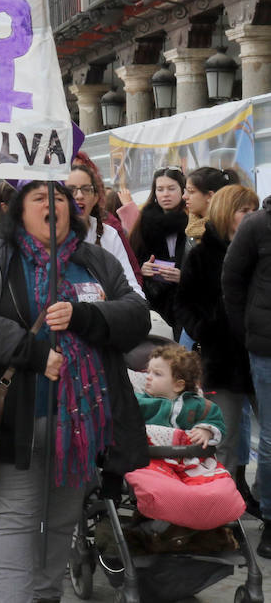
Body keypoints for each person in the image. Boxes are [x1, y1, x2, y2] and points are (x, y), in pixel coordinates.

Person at [0, 180, 148, 603]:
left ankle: (46, 594)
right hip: (19, 418)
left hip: (83, 423)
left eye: (59, 198)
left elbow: (136, 314)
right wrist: (32, 351)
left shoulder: (95, 260)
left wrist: (84, 315)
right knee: (16, 521)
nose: (51, 205)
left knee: (62, 521)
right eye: (39, 198)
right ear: (19, 211)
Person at [174, 184, 259, 514]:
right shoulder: (201, 253)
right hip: (221, 358)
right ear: (226, 212)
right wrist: (204, 329)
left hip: (257, 355)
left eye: (254, 210)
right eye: (244, 210)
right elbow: (184, 302)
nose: (250, 217)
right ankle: (221, 510)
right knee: (221, 436)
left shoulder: (259, 248)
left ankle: (252, 499)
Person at [220, 188, 271, 552]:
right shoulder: (258, 225)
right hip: (267, 349)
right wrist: (250, 330)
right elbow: (232, 282)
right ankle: (270, 515)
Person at [66, 160, 142, 295]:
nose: (79, 196)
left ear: (95, 197)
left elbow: (131, 287)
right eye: (71, 190)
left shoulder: (109, 234)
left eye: (86, 189)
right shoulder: (48, 237)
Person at [129, 166, 188, 329]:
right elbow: (132, 258)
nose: (165, 194)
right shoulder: (145, 221)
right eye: (160, 189)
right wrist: (143, 267)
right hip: (154, 300)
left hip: (186, 301)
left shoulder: (193, 221)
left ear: (183, 190)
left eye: (171, 188)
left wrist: (184, 275)